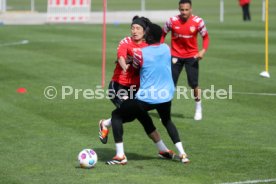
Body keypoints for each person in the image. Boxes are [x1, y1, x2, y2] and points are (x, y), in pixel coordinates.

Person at [106, 23, 190, 165]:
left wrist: (128, 61)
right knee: (167, 121)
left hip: (147, 98)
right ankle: (182, 153)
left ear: (148, 36)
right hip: (165, 95)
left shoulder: (140, 53)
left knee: (117, 115)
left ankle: (120, 155)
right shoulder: (165, 48)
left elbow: (134, 67)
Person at [99, 16, 175, 160]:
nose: (134, 31)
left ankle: (105, 123)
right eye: (132, 28)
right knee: (131, 114)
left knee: (140, 115)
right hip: (118, 86)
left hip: (136, 90)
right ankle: (120, 154)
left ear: (144, 31)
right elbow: (121, 57)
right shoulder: (126, 42)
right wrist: (125, 67)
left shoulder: (148, 46)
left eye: (138, 28)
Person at [161, 0, 209, 121]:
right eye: (182, 10)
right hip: (175, 56)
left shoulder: (198, 22)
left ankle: (198, 107)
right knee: (170, 85)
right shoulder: (171, 21)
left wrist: (203, 51)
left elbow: (205, 37)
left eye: (186, 10)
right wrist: (161, 49)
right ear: (179, 9)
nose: (184, 12)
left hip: (192, 56)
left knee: (193, 84)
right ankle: (165, 112)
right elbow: (162, 34)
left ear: (191, 9)